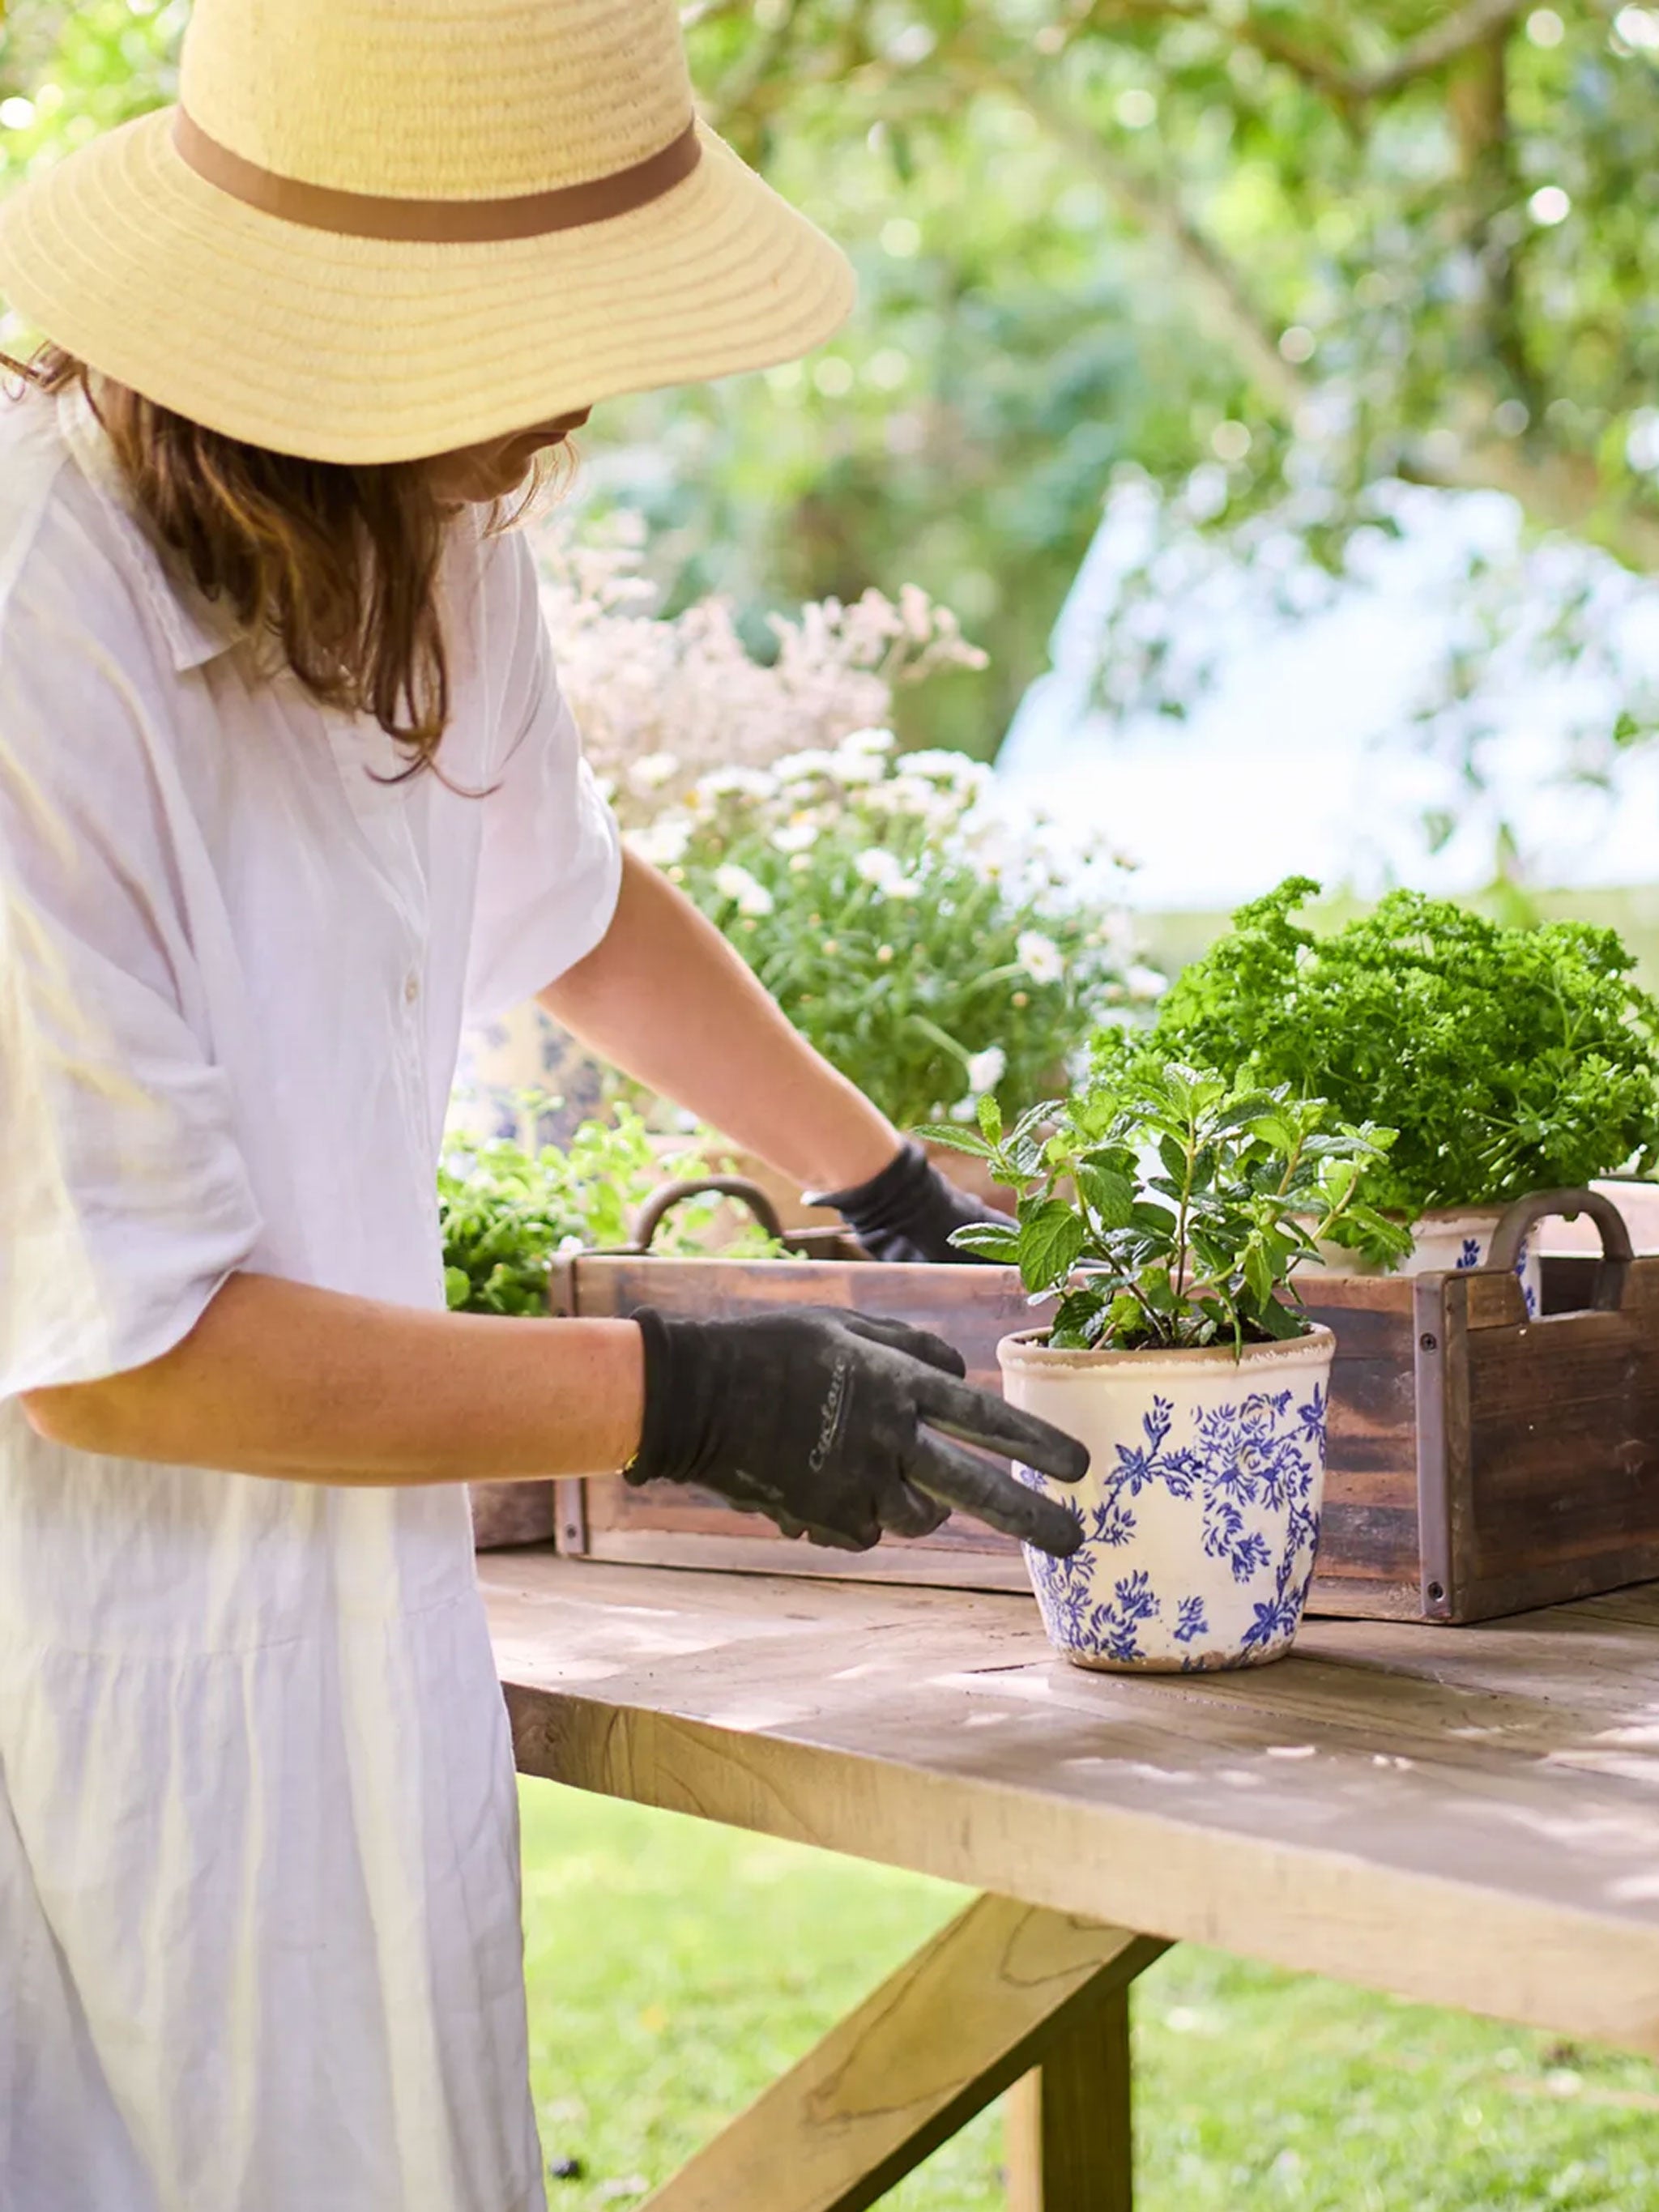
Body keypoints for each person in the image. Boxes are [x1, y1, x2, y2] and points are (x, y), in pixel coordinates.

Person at [0, 4, 1089, 2206]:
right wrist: (677, 1394)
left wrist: (873, 1183)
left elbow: (565, 906)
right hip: (91, 1687)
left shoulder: (424, 532)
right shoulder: (41, 622)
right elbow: (118, 1348)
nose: (572, 406)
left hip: (349, 1650)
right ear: (338, 333)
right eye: (530, 331)